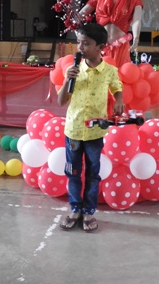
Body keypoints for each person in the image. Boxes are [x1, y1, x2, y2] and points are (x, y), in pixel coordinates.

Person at [57, 23, 124, 233]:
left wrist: (119, 99)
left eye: (86, 43)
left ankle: (89, 211)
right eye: (79, 43)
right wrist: (68, 79)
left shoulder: (109, 71)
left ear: (100, 47)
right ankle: (75, 209)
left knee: (93, 174)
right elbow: (61, 101)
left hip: (95, 133)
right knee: (73, 172)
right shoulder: (74, 70)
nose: (81, 48)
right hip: (74, 131)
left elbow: (117, 87)